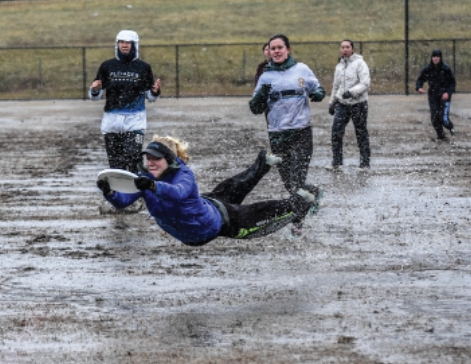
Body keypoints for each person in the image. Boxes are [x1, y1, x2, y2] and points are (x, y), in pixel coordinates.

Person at [96, 135, 315, 246]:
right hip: (207, 206)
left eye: (157, 159)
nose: (151, 163)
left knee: (261, 211)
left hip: (218, 224)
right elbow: (122, 203)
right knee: (230, 188)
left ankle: (303, 201)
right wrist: (110, 192)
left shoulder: (184, 175)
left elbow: (178, 194)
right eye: (148, 159)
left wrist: (152, 186)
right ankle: (264, 163)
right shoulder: (145, 178)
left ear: (170, 160)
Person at [249, 34, 325, 234]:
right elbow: (255, 108)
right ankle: (313, 193)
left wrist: (317, 94)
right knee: (290, 185)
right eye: (273, 48)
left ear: (288, 49)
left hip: (301, 132)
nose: (276, 51)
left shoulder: (302, 69)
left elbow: (318, 89)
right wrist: (262, 93)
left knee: (297, 180)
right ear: (269, 52)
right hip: (277, 134)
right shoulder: (265, 76)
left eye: (280, 47)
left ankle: (297, 225)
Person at [90, 30, 161, 173]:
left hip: (135, 121)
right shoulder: (107, 66)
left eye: (128, 43)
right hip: (111, 121)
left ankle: (137, 190)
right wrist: (95, 89)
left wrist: (154, 92)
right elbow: (95, 97)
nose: (124, 45)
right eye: (122, 42)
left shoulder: (143, 68)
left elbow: (151, 97)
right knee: (116, 162)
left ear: (134, 45)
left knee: (134, 158)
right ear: (117, 44)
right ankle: (119, 192)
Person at [326, 39, 371, 172]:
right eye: (342, 47)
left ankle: (365, 163)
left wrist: (351, 93)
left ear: (352, 49)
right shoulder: (339, 66)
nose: (345, 49)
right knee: (336, 132)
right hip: (342, 104)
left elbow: (365, 83)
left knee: (361, 133)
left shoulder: (360, 63)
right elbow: (336, 85)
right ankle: (336, 162)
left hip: (358, 104)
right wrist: (332, 102)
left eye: (347, 47)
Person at [416, 49, 456, 141]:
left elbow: (452, 83)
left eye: (437, 56)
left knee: (444, 119)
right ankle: (441, 136)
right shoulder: (428, 69)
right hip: (433, 96)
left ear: (440, 58)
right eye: (434, 56)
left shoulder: (446, 69)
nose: (435, 58)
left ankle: (451, 127)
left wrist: (447, 93)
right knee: (434, 118)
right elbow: (420, 79)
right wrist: (419, 87)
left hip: (444, 97)